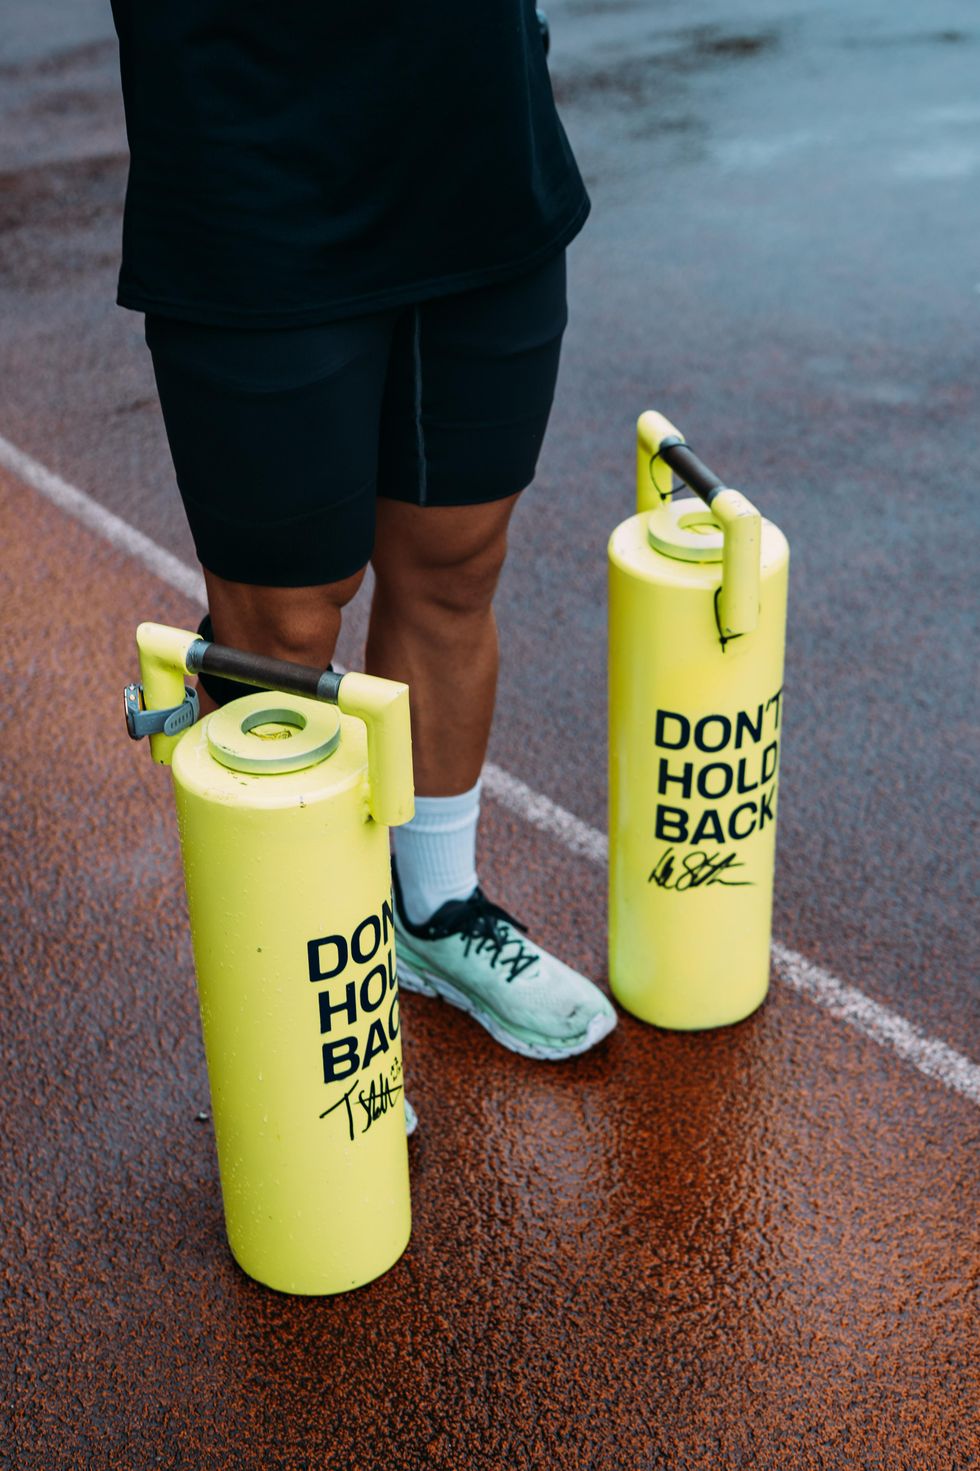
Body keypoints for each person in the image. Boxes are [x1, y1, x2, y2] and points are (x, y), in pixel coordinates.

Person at [110, 1, 617, 1081]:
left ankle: (432, 910)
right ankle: (301, 988)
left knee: (456, 562)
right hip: (255, 160)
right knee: (283, 625)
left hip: (480, 143)